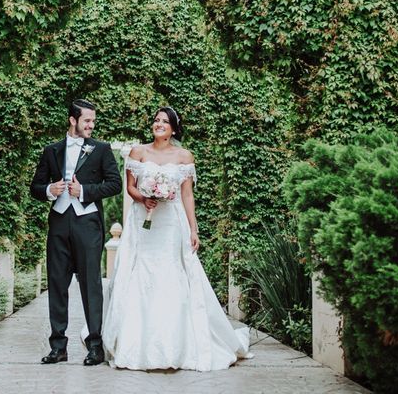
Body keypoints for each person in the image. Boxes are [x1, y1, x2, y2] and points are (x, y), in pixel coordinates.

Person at [102, 106, 252, 371]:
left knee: (171, 275)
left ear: (173, 128)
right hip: (142, 221)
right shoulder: (138, 152)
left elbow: (187, 196)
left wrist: (193, 230)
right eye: (156, 120)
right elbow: (130, 188)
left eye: (165, 121)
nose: (159, 124)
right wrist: (144, 197)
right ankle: (135, 345)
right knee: (141, 274)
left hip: (171, 223)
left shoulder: (184, 156)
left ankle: (177, 345)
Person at [30, 99, 122, 366]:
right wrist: (50, 190)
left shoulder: (101, 150)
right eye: (87, 121)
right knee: (57, 284)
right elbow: (35, 187)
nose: (91, 125)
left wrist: (84, 191)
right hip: (59, 222)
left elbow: (114, 184)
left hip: (88, 223)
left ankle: (95, 346)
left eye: (93, 121)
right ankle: (58, 346)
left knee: (91, 284)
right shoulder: (51, 150)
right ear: (73, 120)